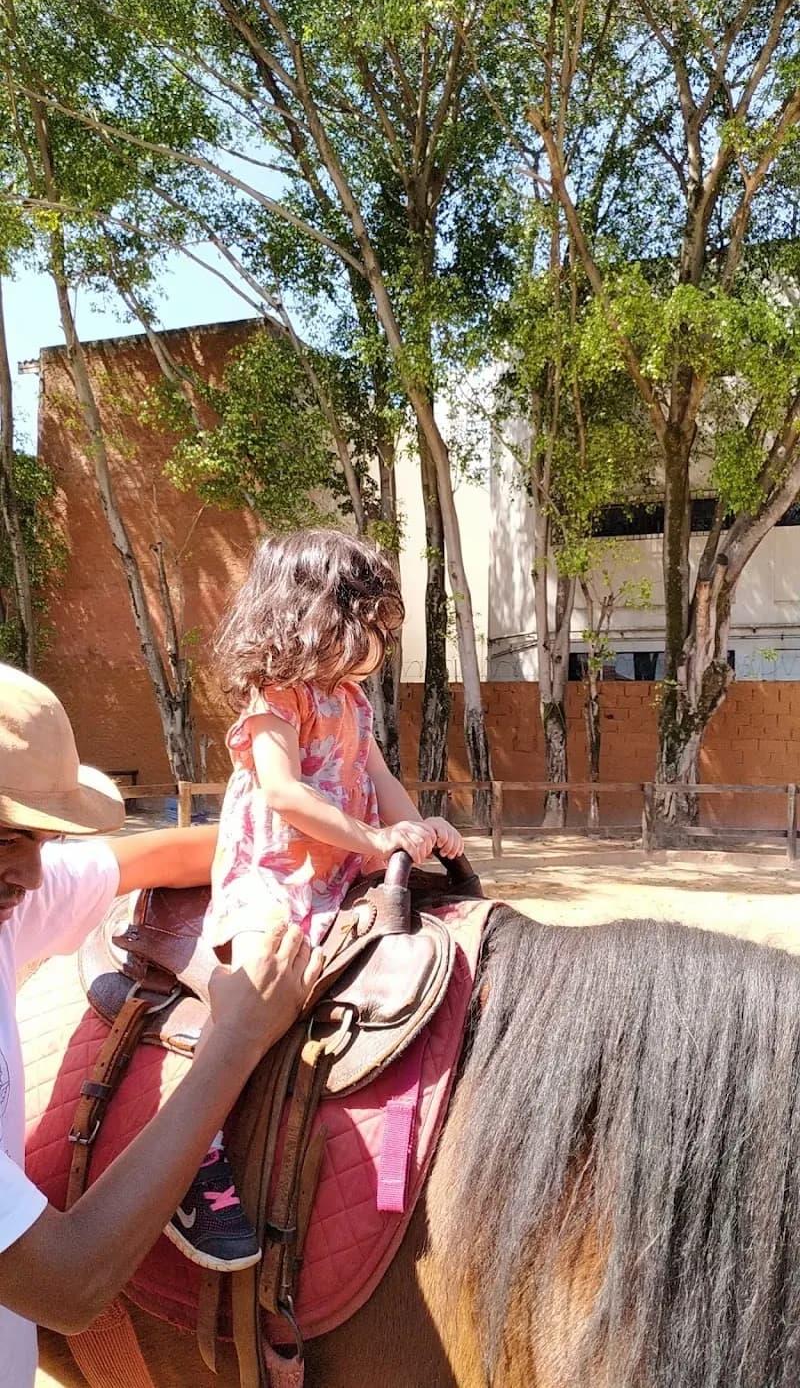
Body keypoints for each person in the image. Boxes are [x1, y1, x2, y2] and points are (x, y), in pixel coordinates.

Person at [0, 663, 322, 1388]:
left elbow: (157, 857)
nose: (27, 874)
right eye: (1, 839)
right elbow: (66, 1285)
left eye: (39, 839)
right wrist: (237, 1039)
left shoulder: (12, 901)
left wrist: (330, 843)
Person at [168, 528, 464, 1271]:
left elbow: (378, 774)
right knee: (256, 982)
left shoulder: (352, 700)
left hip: (339, 866)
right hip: (274, 870)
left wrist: (414, 824)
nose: (381, 644)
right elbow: (283, 792)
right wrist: (372, 839)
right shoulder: (277, 698)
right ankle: (192, 1156)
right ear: (320, 616)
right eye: (372, 625)